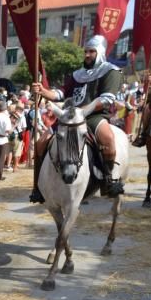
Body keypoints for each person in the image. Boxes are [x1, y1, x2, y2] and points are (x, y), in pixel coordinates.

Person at [30, 35, 125, 203]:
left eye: (91, 52)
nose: (87, 55)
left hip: (94, 116)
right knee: (41, 143)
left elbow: (107, 99)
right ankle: (37, 187)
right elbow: (61, 93)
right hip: (69, 117)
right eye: (86, 51)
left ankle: (109, 180)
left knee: (108, 140)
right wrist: (44, 91)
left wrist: (83, 111)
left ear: (100, 52)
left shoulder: (111, 71)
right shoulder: (77, 74)